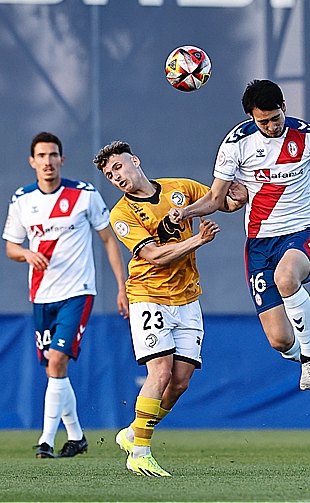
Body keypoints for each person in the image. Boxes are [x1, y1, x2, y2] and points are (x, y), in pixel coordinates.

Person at [169, 79, 310, 409]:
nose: (272, 126)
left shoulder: (308, 135)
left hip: (301, 233)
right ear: (250, 117)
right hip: (259, 245)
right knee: (280, 340)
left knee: (287, 278)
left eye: (276, 118)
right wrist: (184, 212)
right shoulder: (236, 144)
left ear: (284, 107)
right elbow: (215, 198)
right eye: (263, 121)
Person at [93, 140, 246, 477]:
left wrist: (239, 184)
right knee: (159, 373)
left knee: (179, 382)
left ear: (134, 160)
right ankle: (140, 453)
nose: (115, 176)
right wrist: (196, 240)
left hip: (187, 297)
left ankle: (134, 432)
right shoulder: (121, 214)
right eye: (109, 174)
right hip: (148, 296)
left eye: (118, 167)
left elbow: (225, 202)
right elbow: (153, 256)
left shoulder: (179, 188)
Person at [3, 132, 129, 459]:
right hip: (41, 295)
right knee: (52, 368)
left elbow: (107, 240)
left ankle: (45, 440)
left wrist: (121, 286)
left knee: (57, 361)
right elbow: (11, 247)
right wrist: (27, 255)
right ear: (32, 161)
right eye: (41, 156)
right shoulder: (22, 199)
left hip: (78, 292)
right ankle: (77, 436)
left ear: (62, 160)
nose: (47, 161)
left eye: (53, 155)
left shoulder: (84, 195)